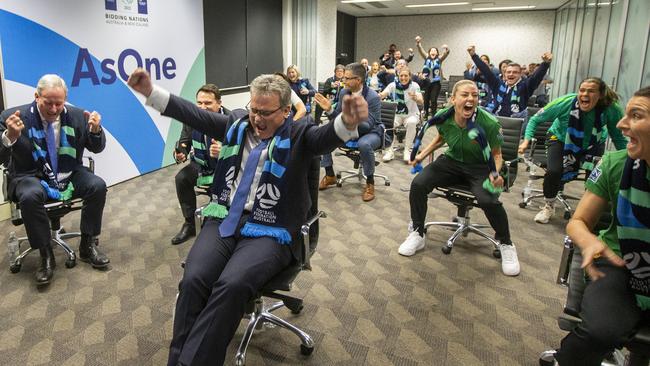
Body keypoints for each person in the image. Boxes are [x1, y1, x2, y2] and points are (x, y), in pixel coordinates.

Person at [128, 68, 367, 366]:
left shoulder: (300, 134)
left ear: (285, 111)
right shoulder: (236, 126)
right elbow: (193, 115)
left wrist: (347, 122)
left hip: (271, 228)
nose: (257, 118)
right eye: (254, 109)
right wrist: (151, 92)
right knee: (193, 279)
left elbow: (325, 138)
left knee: (231, 285)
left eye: (266, 113)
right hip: (226, 217)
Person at [546, 86, 650, 366]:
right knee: (599, 331)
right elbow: (578, 221)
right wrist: (590, 241)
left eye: (636, 115)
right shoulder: (616, 164)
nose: (621, 124)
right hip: (619, 262)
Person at [398, 80, 520, 276]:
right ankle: (417, 233)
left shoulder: (488, 122)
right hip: (452, 161)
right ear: (453, 99)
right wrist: (421, 155)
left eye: (475, 96)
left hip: (481, 166)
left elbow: (497, 155)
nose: (471, 99)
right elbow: (441, 138)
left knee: (488, 200)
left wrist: (495, 174)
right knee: (418, 184)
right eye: (465, 95)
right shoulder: (444, 117)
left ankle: (506, 243)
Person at [0, 74, 109, 285]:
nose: (53, 109)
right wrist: (9, 138)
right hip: (30, 175)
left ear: (65, 99)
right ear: (36, 96)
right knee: (31, 195)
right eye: (48, 103)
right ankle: (45, 254)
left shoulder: (77, 116)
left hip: (68, 173)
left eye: (58, 103)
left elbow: (97, 147)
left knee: (97, 186)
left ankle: (87, 245)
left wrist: (95, 131)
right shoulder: (11, 117)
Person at [519, 77, 628, 224]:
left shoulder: (611, 109)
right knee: (554, 171)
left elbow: (618, 137)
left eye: (591, 91)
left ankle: (590, 212)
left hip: (593, 144)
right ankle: (548, 206)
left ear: (601, 95)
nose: (585, 94)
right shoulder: (565, 103)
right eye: (582, 90)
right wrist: (526, 140)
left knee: (596, 177)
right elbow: (534, 120)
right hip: (560, 139)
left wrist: (629, 158)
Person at [171, 84, 230, 245]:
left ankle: (215, 223)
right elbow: (184, 144)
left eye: (208, 103)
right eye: (199, 103)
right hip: (201, 164)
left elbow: (243, 151)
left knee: (221, 190)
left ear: (219, 103)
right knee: (181, 178)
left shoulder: (231, 121)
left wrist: (224, 151)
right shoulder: (191, 119)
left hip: (225, 166)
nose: (202, 108)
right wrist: (179, 154)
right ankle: (190, 223)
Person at [316, 62, 383, 202]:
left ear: (358, 80)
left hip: (371, 132)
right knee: (324, 135)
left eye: (347, 78)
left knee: (364, 144)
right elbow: (337, 118)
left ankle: (370, 182)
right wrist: (329, 110)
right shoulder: (343, 93)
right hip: (349, 129)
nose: (343, 80)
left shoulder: (372, 97)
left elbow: (367, 125)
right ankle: (330, 175)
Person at [468, 45, 552, 119]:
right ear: (504, 73)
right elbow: (485, 70)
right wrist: (473, 55)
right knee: (479, 110)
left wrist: (545, 63)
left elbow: (536, 77)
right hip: (496, 119)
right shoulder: (497, 84)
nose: (511, 74)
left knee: (526, 114)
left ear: (520, 74)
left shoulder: (525, 86)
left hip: (516, 121)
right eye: (508, 72)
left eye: (515, 72)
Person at [379, 67, 423, 162]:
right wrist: (379, 96)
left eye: (406, 76)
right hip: (397, 114)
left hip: (411, 114)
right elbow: (383, 94)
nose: (403, 78)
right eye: (401, 76)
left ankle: (407, 151)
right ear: (398, 76)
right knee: (388, 123)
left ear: (410, 76)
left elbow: (421, 101)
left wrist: (415, 98)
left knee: (411, 123)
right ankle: (389, 151)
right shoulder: (393, 85)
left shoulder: (415, 86)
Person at [415, 35, 449, 119]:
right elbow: (421, 50)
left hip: (436, 83)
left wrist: (446, 49)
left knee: (433, 99)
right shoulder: (426, 57)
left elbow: (445, 54)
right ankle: (426, 114)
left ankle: (434, 114)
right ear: (429, 53)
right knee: (426, 99)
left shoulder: (439, 59)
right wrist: (418, 43)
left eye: (435, 51)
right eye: (431, 51)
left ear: (437, 53)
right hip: (426, 82)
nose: (433, 52)